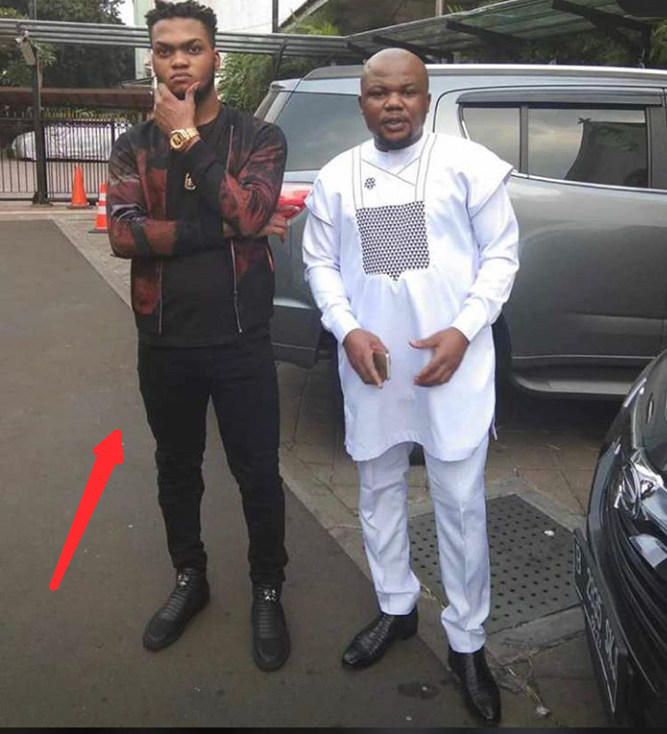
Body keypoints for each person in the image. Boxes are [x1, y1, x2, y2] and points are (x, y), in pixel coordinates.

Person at [302, 48, 520, 723]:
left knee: (460, 504)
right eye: (378, 93)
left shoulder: (468, 167)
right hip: (374, 367)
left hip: (453, 366)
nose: (392, 103)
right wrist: (347, 329)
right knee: (378, 491)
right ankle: (395, 607)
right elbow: (320, 265)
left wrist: (464, 329)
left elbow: (501, 256)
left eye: (406, 91)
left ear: (426, 98)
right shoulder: (338, 178)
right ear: (361, 102)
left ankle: (467, 641)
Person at [107, 0, 293, 672]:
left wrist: (188, 140)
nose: (179, 61)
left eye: (192, 48)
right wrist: (227, 227)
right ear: (152, 60)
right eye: (165, 50)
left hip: (240, 340)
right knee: (177, 468)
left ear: (215, 55)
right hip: (163, 339)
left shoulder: (258, 136)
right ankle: (191, 577)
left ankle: (267, 587)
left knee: (257, 472)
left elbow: (252, 206)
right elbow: (124, 235)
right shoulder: (131, 145)